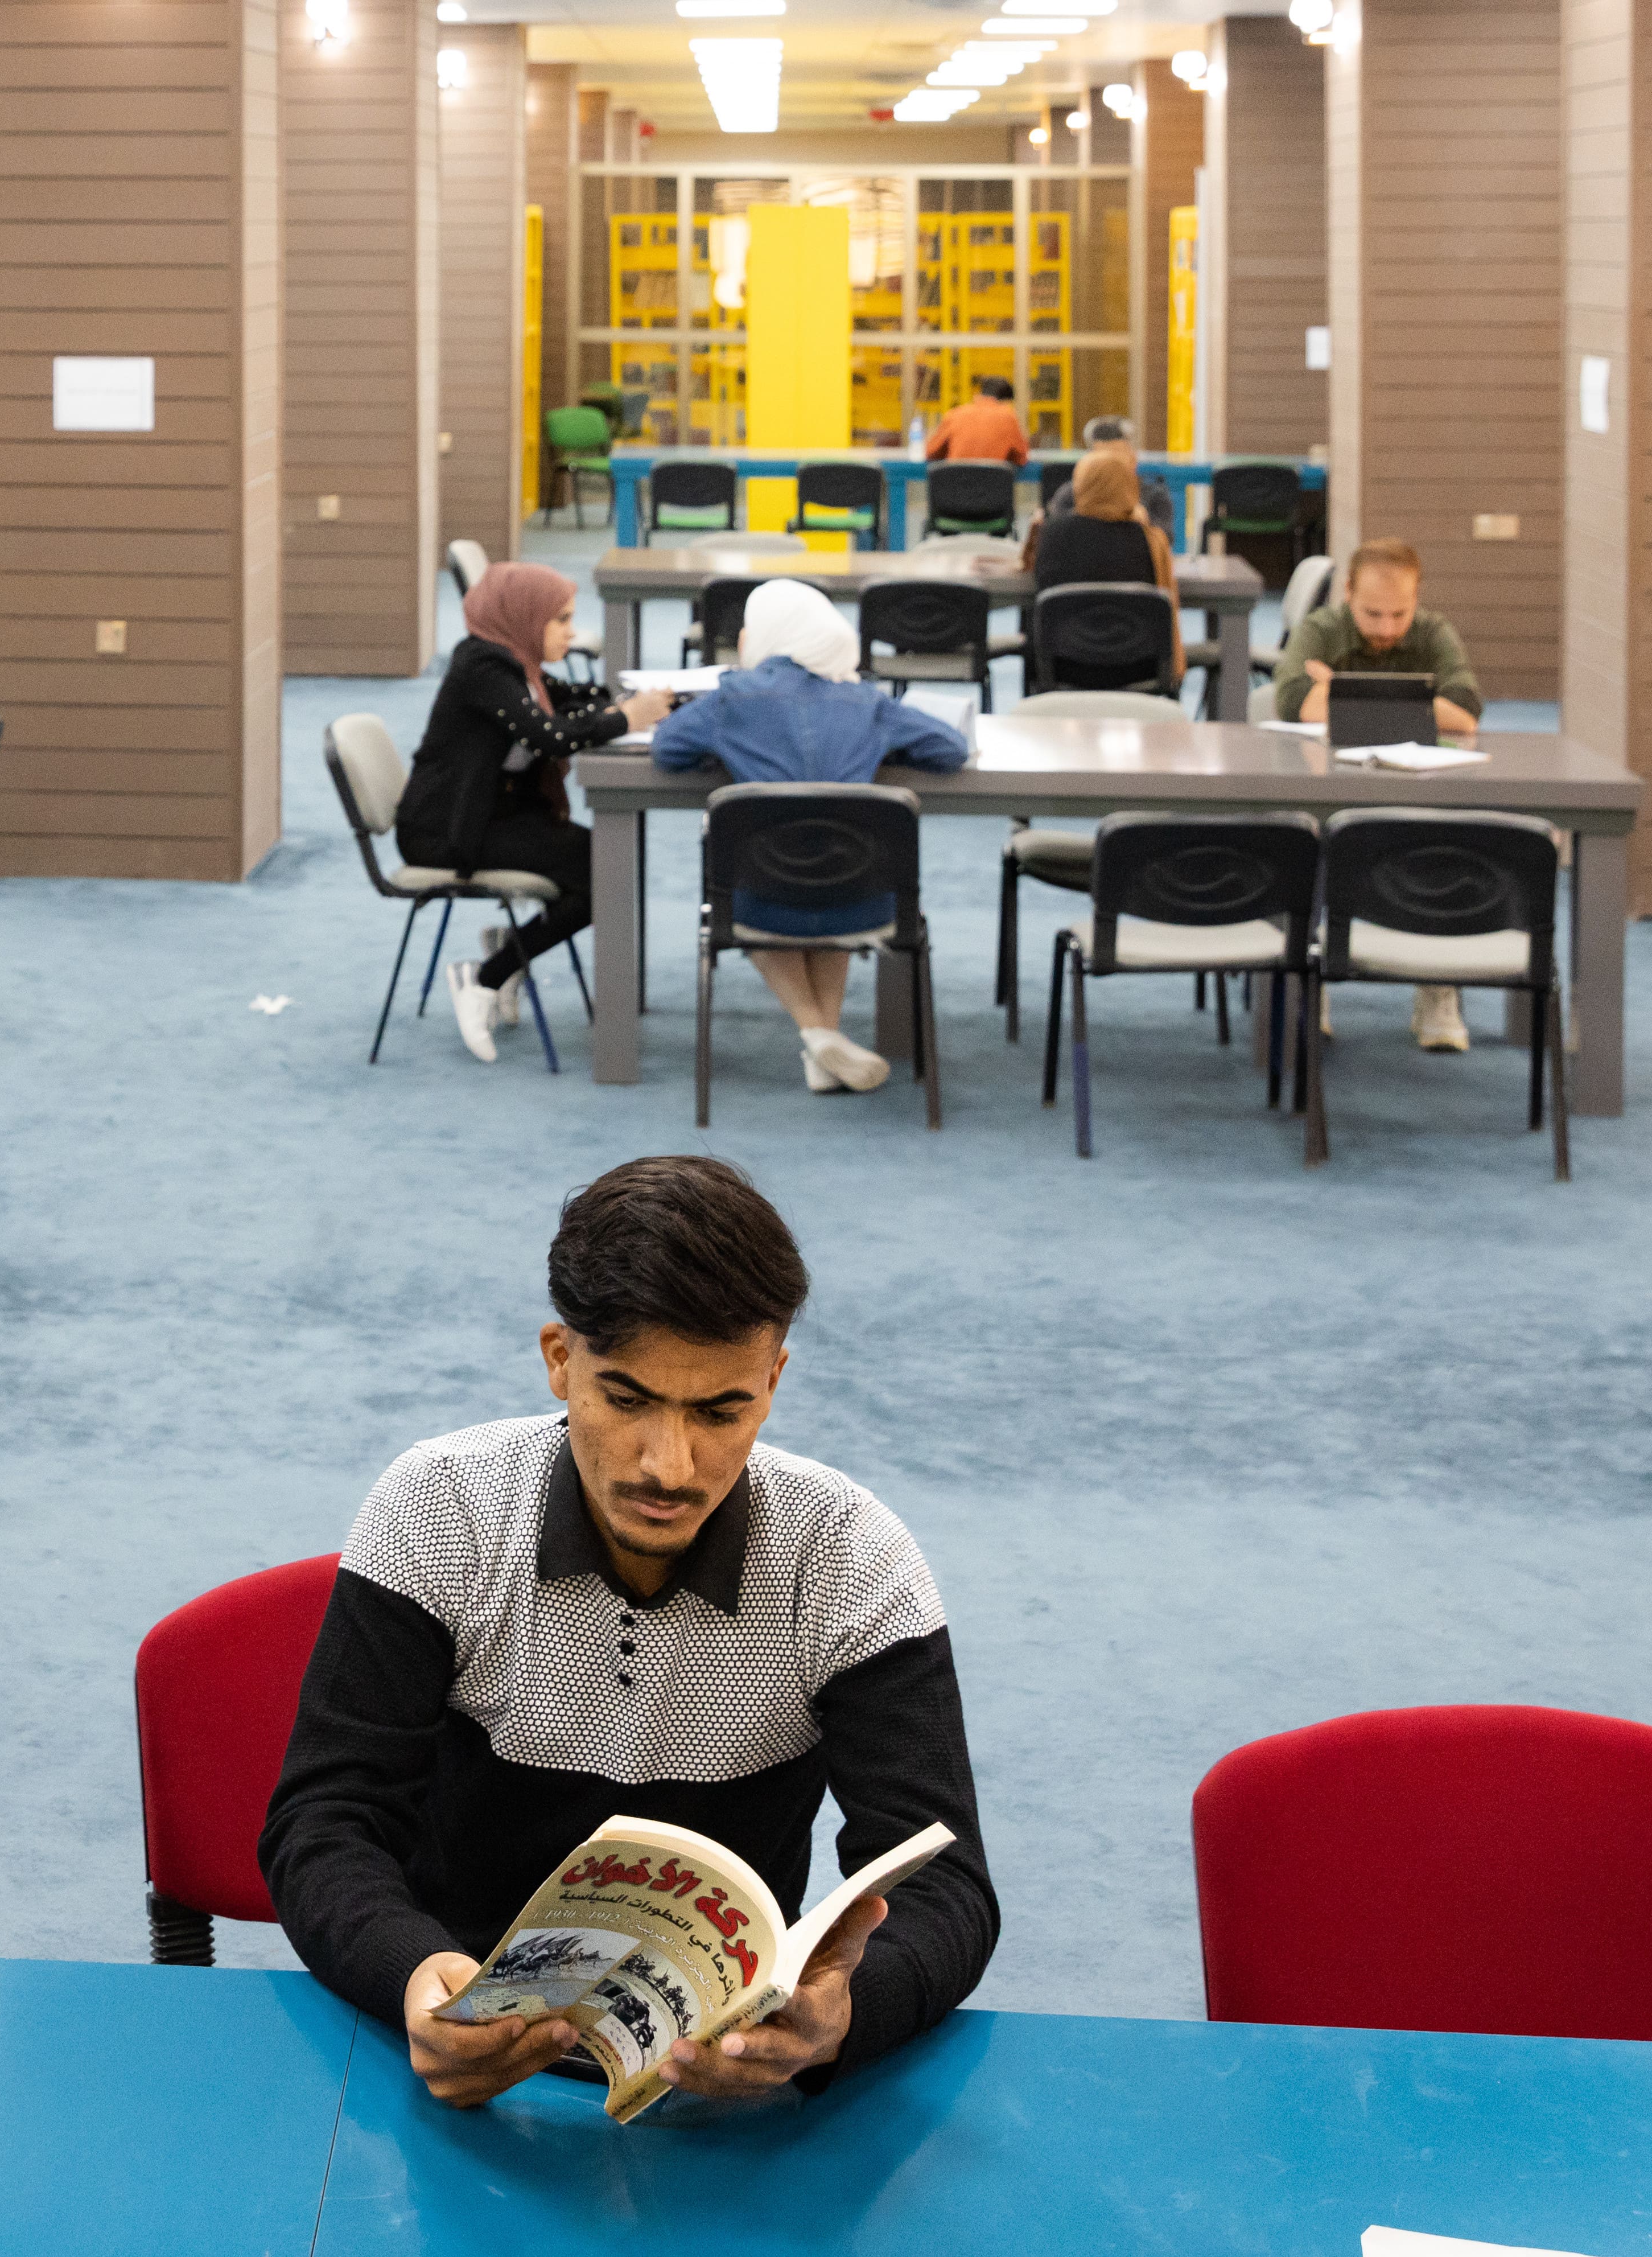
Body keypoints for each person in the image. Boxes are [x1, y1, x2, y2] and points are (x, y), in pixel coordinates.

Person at [261, 1156, 997, 2112]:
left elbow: (950, 1891)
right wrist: (415, 1978)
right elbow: (324, 1822)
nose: (669, 1465)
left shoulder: (850, 1559)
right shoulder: (439, 1509)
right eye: (627, 1398)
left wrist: (840, 2018)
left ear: (772, 1379)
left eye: (720, 1410)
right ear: (559, 1359)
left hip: (717, 2085)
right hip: (444, 2054)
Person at [644, 580, 969, 1093]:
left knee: (766, 869)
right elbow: (950, 749)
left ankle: (817, 1036)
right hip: (862, 901)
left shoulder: (732, 699)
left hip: (757, 903)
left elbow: (667, 750)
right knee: (831, 858)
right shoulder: (866, 702)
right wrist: (885, 750)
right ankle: (825, 1046)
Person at [401, 560, 660, 1065]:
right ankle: (488, 975)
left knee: (608, 862)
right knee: (606, 873)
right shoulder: (483, 668)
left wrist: (629, 700)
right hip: (447, 829)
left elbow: (572, 701)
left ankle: (508, 949)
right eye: (561, 619)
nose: (573, 632)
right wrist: (626, 717)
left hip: (500, 815)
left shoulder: (522, 670)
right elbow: (548, 734)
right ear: (524, 617)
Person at [1278, 537, 1488, 1050]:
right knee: (1308, 847)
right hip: (1328, 791)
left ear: (1417, 599)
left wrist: (1343, 690)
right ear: (1348, 593)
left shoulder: (1434, 631)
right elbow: (1293, 701)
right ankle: (1314, 980)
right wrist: (1417, 701)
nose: (1387, 629)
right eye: (1373, 614)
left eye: (1400, 614)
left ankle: (1438, 987)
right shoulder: (1321, 629)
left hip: (1417, 790)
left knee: (1445, 846)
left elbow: (1465, 708)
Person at [1019, 449, 1182, 693]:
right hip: (1139, 669)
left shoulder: (1052, 534)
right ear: (1129, 487)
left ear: (1080, 486)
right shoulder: (1152, 541)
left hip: (1062, 668)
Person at [1037, 418, 1174, 535]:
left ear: (1132, 458)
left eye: (1118, 457)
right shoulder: (1070, 495)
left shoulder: (1154, 496)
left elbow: (1167, 538)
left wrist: (1144, 524)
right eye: (1103, 460)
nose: (1111, 466)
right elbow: (1056, 537)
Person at [922, 375, 1031, 467]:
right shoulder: (1008, 417)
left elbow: (931, 453)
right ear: (1005, 401)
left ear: (980, 394)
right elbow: (1022, 458)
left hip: (956, 489)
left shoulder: (955, 415)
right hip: (994, 489)